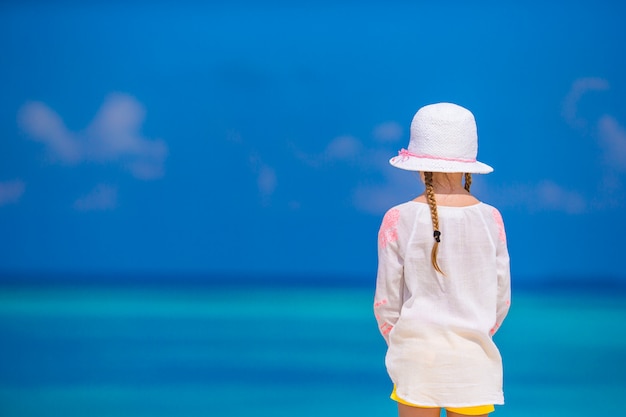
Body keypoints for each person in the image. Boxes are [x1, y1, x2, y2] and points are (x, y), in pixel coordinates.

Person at [374, 102, 511, 417]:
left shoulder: (398, 218)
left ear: (419, 166)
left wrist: (402, 340)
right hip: (474, 359)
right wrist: (472, 332)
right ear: (468, 166)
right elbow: (500, 300)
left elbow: (386, 303)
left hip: (416, 357)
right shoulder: (492, 218)